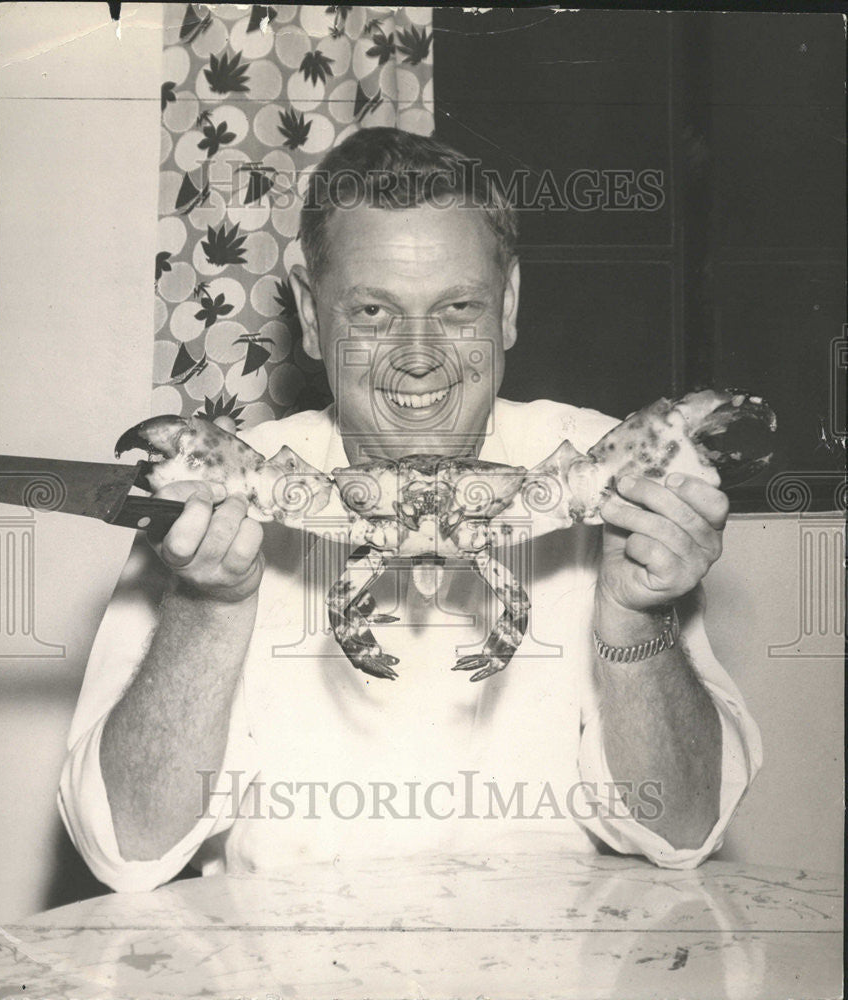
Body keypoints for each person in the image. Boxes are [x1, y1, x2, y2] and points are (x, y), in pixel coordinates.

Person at [59, 128, 761, 892]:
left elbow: (686, 832)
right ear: (308, 310)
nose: (418, 353)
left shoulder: (605, 480)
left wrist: (636, 619)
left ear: (510, 304)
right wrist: (208, 604)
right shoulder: (221, 497)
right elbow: (124, 850)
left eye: (459, 306)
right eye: (371, 312)